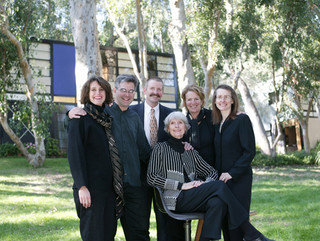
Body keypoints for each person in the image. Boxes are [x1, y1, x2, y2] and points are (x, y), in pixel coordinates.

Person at [147, 111, 274, 241]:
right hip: (173, 198)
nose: (177, 126)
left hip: (192, 196)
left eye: (180, 123)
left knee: (217, 202)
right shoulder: (160, 148)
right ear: (168, 128)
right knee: (219, 186)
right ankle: (249, 231)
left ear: (185, 128)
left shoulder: (190, 151)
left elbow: (212, 172)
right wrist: (183, 185)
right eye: (173, 123)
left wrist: (205, 183)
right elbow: (151, 177)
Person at [68, 74, 152, 241]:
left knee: (138, 234)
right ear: (114, 91)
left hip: (130, 186)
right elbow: (76, 145)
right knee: (99, 233)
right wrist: (68, 113)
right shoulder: (99, 114)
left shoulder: (132, 117)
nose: (127, 94)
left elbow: (144, 151)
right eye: (123, 90)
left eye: (131, 91)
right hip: (106, 187)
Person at [130, 76, 185, 241]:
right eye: (152, 89)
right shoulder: (130, 113)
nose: (156, 92)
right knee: (139, 221)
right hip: (139, 176)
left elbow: (182, 137)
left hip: (165, 176)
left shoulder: (172, 114)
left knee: (168, 222)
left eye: (159, 89)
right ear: (145, 90)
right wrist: (72, 111)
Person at [67, 76, 117, 240]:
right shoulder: (79, 118)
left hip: (109, 190)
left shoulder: (107, 119)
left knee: (108, 234)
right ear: (87, 93)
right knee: (93, 236)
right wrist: (82, 186)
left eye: (101, 89)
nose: (98, 93)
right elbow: (75, 155)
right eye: (93, 90)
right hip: (89, 190)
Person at [212, 84, 256, 241]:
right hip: (221, 181)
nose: (222, 100)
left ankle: (253, 237)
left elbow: (249, 151)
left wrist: (232, 173)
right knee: (225, 222)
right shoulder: (216, 123)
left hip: (238, 180)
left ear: (232, 100)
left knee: (236, 224)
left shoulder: (242, 119)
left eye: (226, 97)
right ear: (215, 100)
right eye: (219, 97)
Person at [181, 84, 215, 166]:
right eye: (189, 99)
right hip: (192, 170)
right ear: (185, 102)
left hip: (213, 168)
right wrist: (183, 144)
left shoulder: (213, 116)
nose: (193, 103)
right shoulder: (181, 122)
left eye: (196, 99)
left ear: (202, 101)